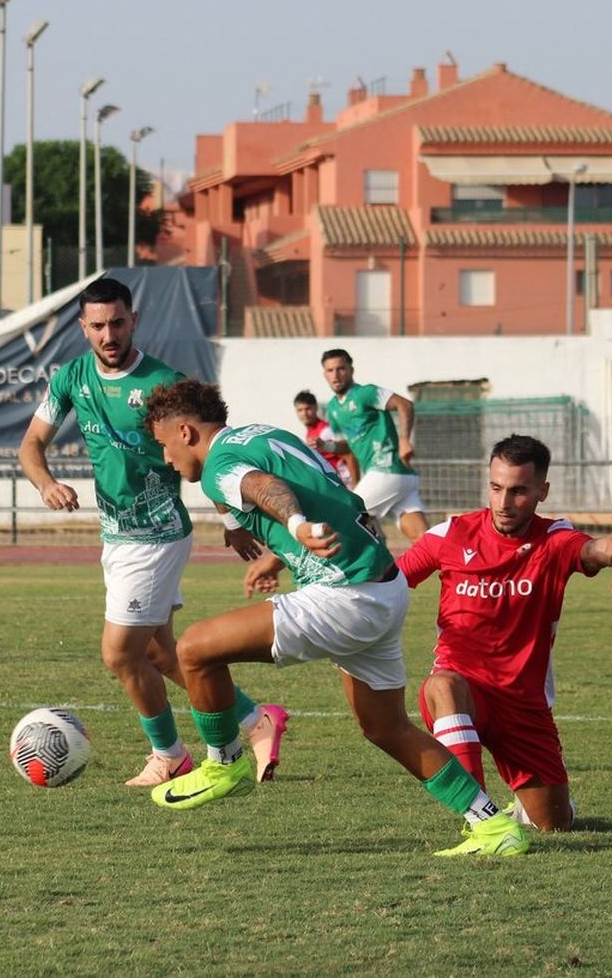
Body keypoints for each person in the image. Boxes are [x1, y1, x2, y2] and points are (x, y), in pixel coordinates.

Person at [144, 379, 526, 857]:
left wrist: (296, 527)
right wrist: (281, 549)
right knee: (385, 727)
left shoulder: (222, 460)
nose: (165, 460)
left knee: (194, 648)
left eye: (162, 446)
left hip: (346, 595)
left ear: (184, 431)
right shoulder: (267, 435)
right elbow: (338, 500)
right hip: (384, 587)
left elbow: (262, 487)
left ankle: (224, 763)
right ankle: (493, 827)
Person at [19, 277, 286, 788]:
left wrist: (231, 522)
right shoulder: (71, 378)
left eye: (118, 322)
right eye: (97, 325)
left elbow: (202, 448)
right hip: (117, 537)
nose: (109, 334)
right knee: (161, 653)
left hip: (158, 534)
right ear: (83, 327)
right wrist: (46, 483)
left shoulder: (162, 384)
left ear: (134, 320)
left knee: (119, 654)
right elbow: (31, 445)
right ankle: (255, 720)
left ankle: (170, 754)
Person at [397, 434, 612, 833]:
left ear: (542, 492)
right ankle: (482, 823)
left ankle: (534, 809)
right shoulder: (453, 534)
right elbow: (391, 582)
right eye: (496, 488)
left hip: (523, 706)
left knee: (553, 824)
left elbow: (599, 549)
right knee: (442, 684)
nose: (503, 502)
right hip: (465, 689)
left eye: (518, 491)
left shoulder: (554, 541)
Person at [318, 349, 430, 541]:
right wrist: (327, 447)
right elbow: (346, 447)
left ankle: (272, 563)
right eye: (330, 370)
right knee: (424, 540)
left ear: (351, 370)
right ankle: (464, 564)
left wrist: (404, 439)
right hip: (400, 477)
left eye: (340, 369)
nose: (335, 375)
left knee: (346, 513)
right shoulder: (333, 409)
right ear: (324, 374)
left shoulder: (366, 393)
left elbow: (405, 405)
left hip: (387, 469)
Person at [294, 389, 358, 488]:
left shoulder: (326, 431)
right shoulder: (310, 433)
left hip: (346, 484)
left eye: (308, 409)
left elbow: (350, 455)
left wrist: (355, 488)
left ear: (315, 408)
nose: (304, 414)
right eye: (300, 410)